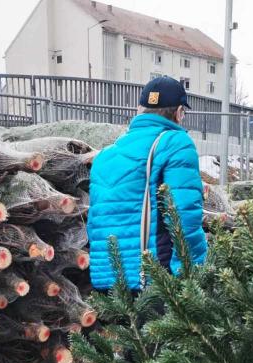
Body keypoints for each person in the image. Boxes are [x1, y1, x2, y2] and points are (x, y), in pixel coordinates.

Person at [88, 76, 207, 291]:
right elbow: (183, 215)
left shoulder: (104, 155)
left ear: (139, 109)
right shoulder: (176, 143)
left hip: (108, 282)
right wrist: (192, 274)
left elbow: (94, 222)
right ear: (179, 112)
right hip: (155, 278)